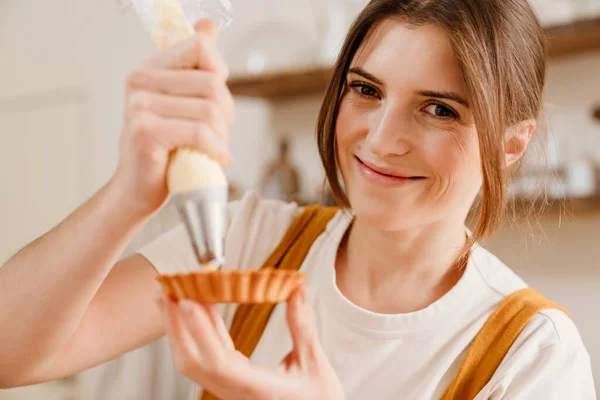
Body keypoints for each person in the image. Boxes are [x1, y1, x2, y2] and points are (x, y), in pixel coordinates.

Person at [0, 0, 596, 399]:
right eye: (366, 90)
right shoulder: (246, 242)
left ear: (511, 144)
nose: (382, 140)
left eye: (439, 109)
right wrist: (128, 195)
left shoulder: (535, 354)